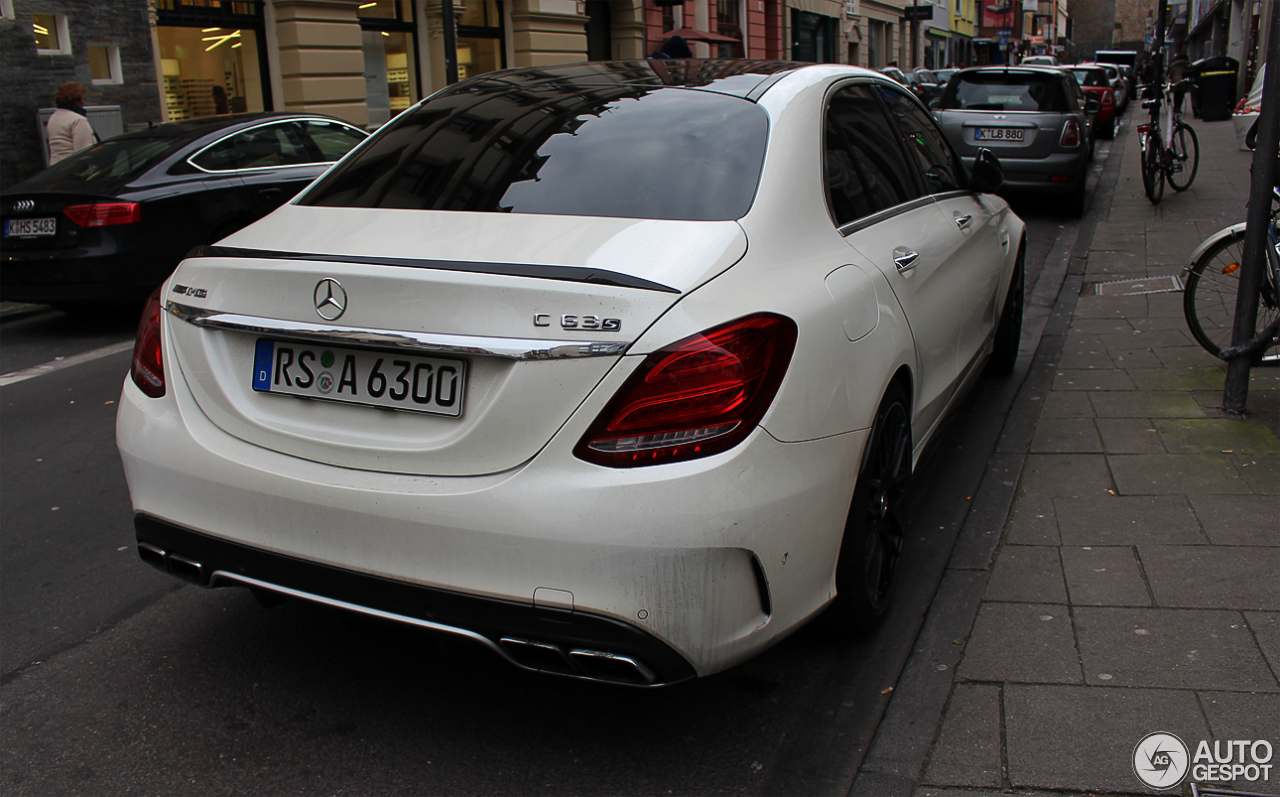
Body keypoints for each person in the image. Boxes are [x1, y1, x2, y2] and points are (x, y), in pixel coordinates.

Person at [46, 82, 97, 165]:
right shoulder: (78, 120)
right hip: (73, 169)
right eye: (82, 99)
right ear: (78, 100)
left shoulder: (53, 117)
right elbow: (83, 152)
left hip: (55, 168)